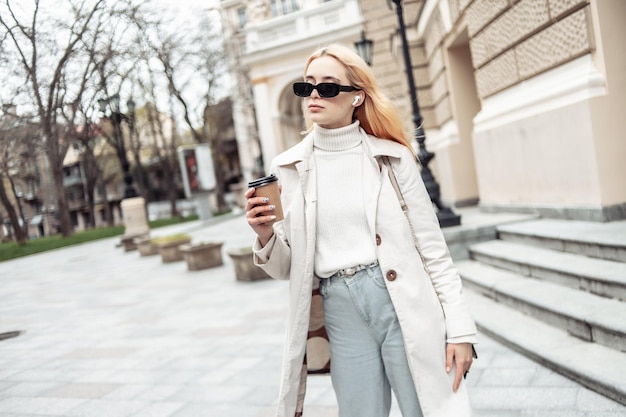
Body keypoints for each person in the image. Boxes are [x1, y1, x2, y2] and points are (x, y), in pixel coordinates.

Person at [245, 43, 477, 417]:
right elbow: (289, 267)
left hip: (400, 301)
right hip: (340, 309)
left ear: (357, 96)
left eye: (329, 86)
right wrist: (265, 235)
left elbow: (434, 251)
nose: (314, 95)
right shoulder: (288, 167)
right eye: (307, 86)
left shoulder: (393, 158)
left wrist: (461, 330)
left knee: (427, 409)